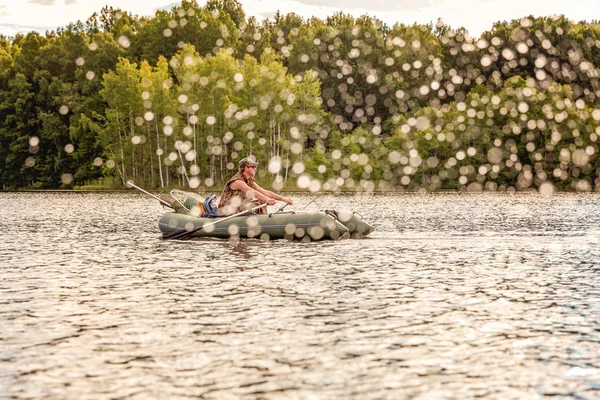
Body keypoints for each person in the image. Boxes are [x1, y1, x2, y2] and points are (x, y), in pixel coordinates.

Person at [218, 157, 294, 216]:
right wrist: (268, 200)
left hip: (239, 207)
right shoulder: (238, 181)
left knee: (261, 201)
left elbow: (265, 192)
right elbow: (253, 192)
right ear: (246, 168)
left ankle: (262, 220)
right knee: (258, 202)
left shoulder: (249, 180)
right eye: (252, 166)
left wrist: (284, 199)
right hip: (228, 209)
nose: (255, 168)